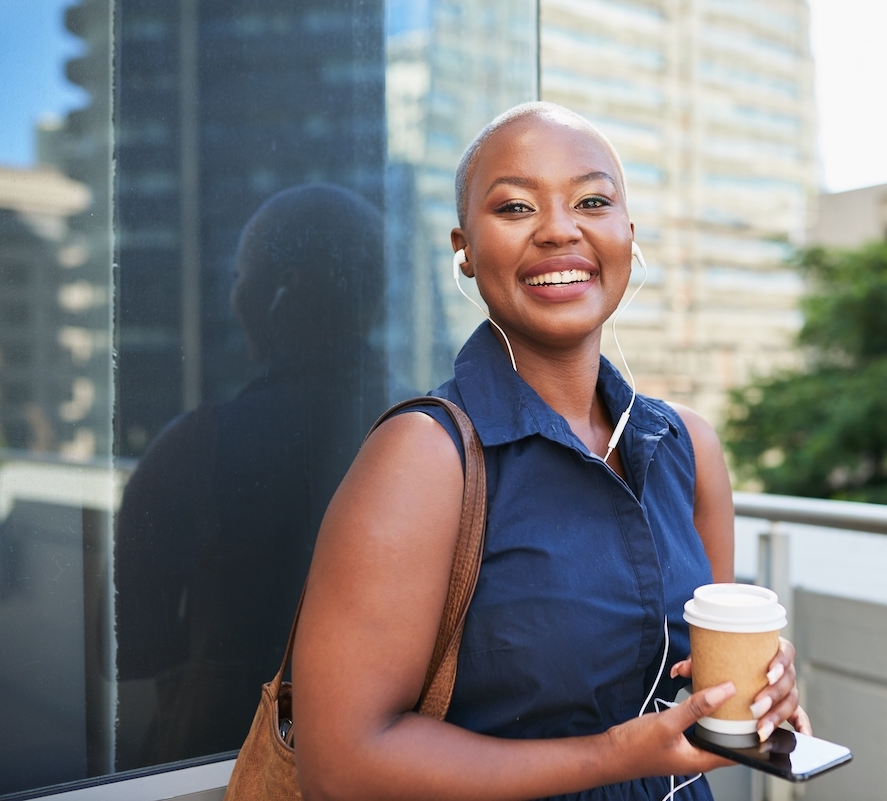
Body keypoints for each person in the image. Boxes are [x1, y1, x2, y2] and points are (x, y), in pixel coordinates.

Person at [292, 103, 809, 800]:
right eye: (514, 207)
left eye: (593, 200)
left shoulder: (686, 446)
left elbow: (688, 673)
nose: (560, 228)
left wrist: (757, 689)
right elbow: (342, 765)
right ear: (465, 248)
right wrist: (613, 754)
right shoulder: (424, 455)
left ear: (628, 230)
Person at [115, 184, 387, 767]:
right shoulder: (443, 438)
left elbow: (128, 651)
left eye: (241, 278)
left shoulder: (192, 450)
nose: (233, 298)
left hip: (233, 766)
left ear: (278, 293)